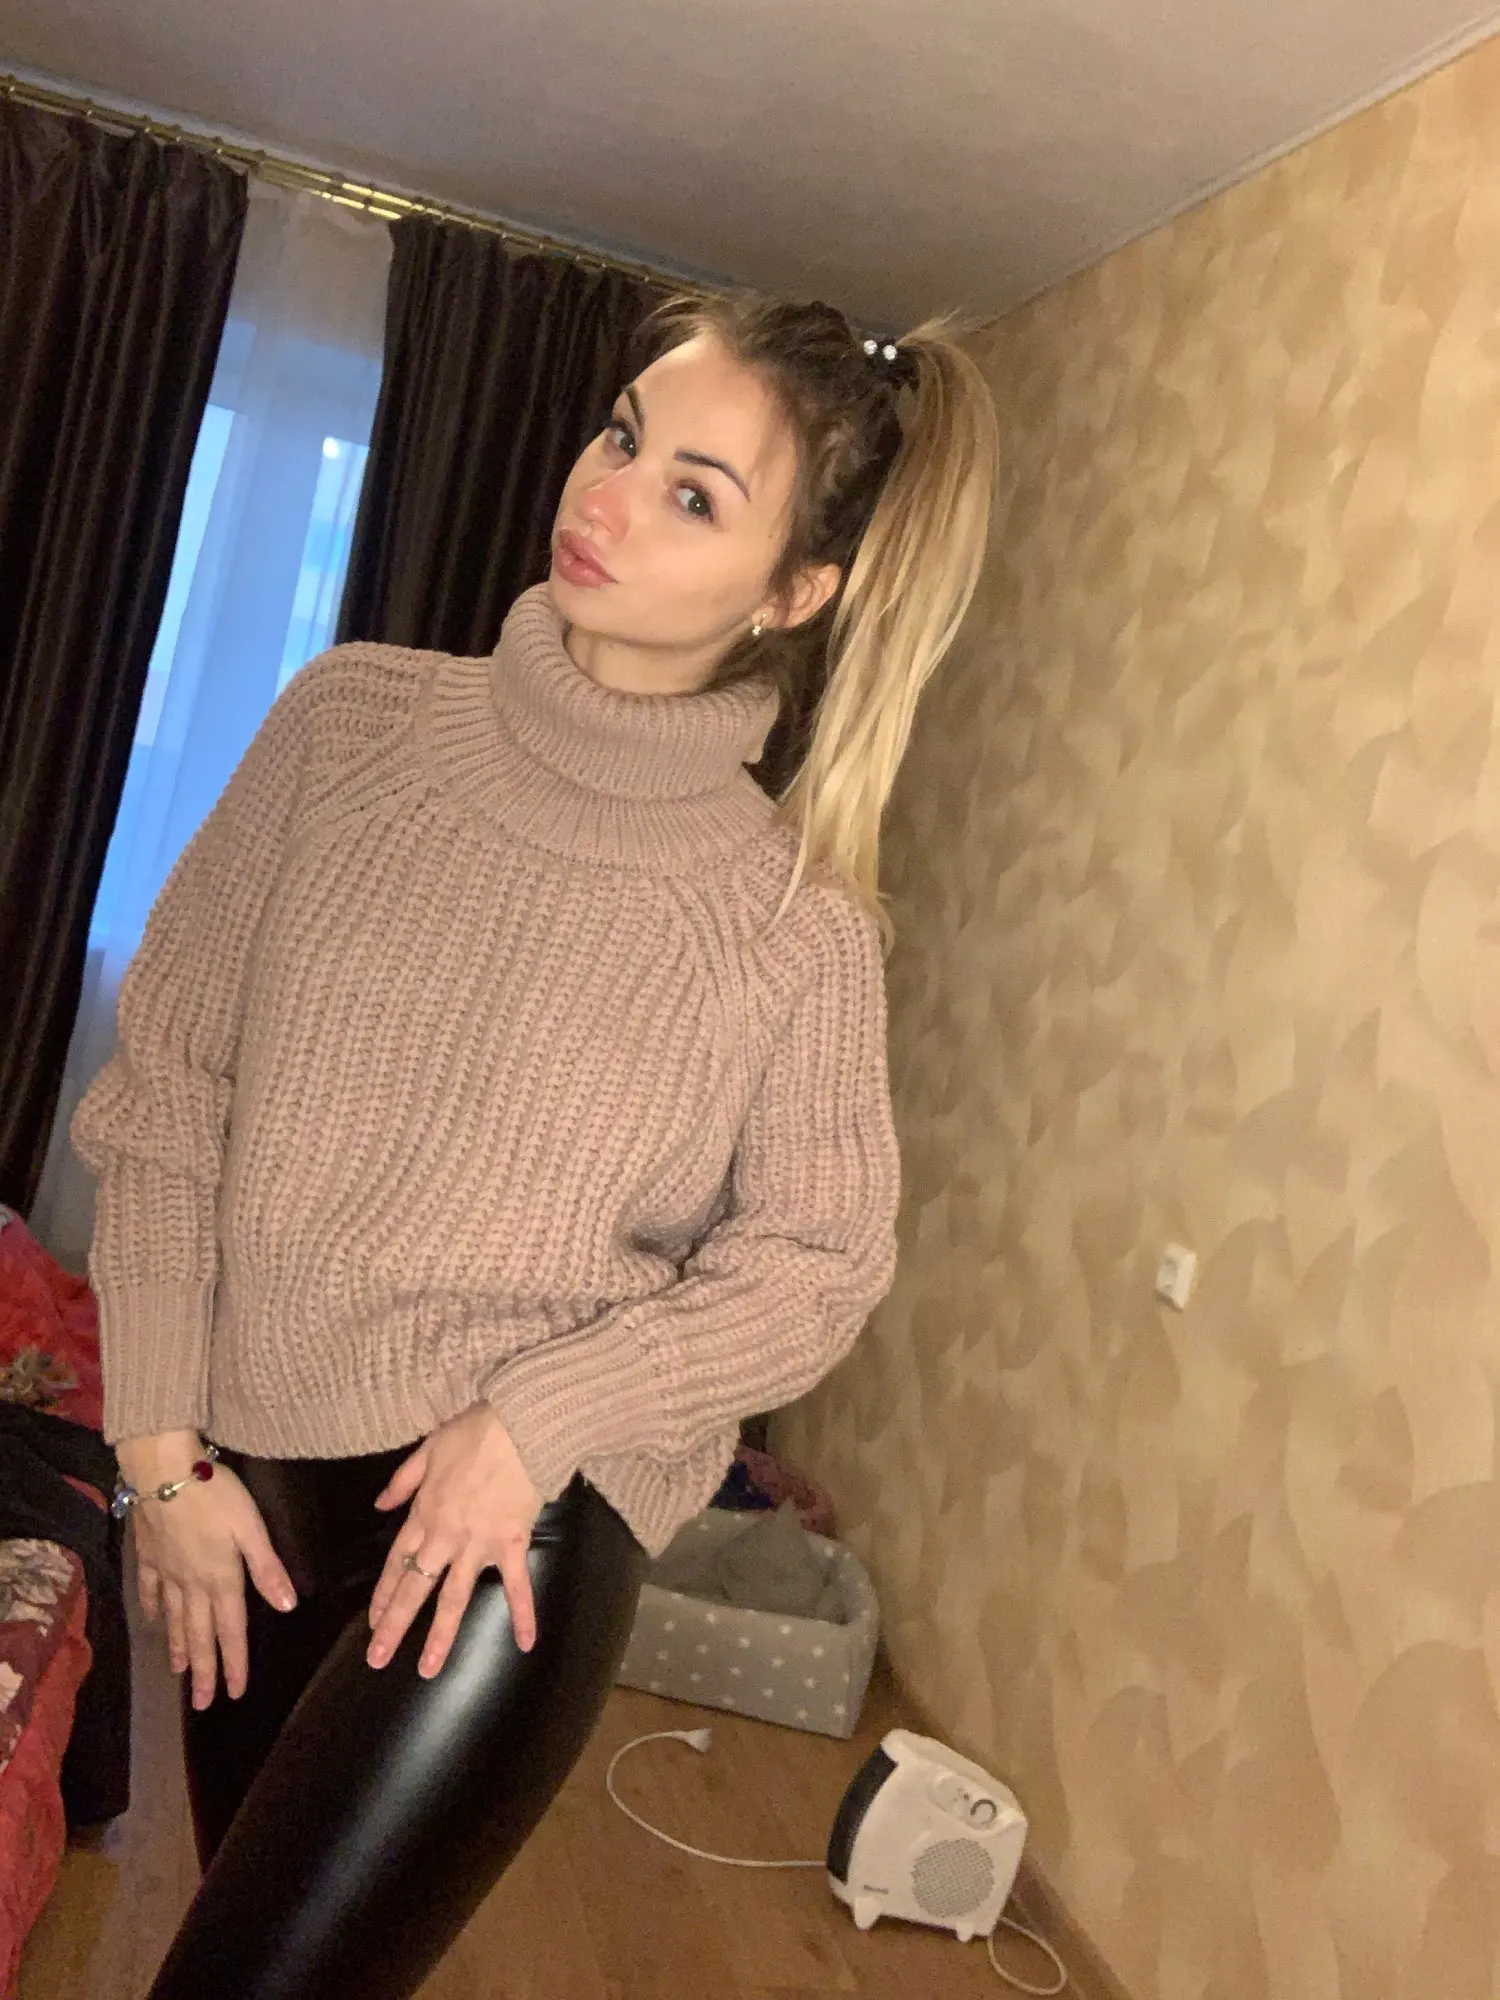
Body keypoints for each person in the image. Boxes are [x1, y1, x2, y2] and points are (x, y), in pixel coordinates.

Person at [71, 287, 998, 1999]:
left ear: (795, 594)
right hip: (244, 1486)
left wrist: (543, 1416)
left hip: (513, 1532)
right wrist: (160, 1453)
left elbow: (818, 1264)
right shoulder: (346, 722)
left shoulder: (791, 923)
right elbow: (174, 1087)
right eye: (624, 437)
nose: (609, 494)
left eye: (695, 494)